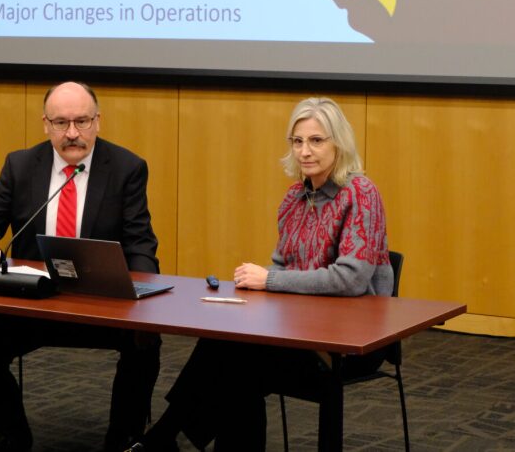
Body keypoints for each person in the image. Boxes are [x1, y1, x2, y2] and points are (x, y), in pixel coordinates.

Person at [128, 96, 393, 451]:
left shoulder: (361, 192)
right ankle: (162, 438)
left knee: (236, 361)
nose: (305, 151)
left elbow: (350, 279)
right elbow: (282, 267)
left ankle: (161, 437)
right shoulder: (295, 198)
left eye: (317, 140)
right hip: (298, 332)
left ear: (339, 143)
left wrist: (267, 280)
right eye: (297, 142)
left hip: (350, 342)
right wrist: (250, 290)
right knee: (230, 346)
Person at [0, 81, 161, 452]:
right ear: (45, 124)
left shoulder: (126, 168)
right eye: (61, 123)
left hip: (101, 304)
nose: (72, 134)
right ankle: (14, 436)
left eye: (82, 121)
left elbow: (141, 245)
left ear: (98, 121)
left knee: (145, 345)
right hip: (35, 302)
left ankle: (123, 439)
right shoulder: (20, 165)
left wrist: (139, 302)